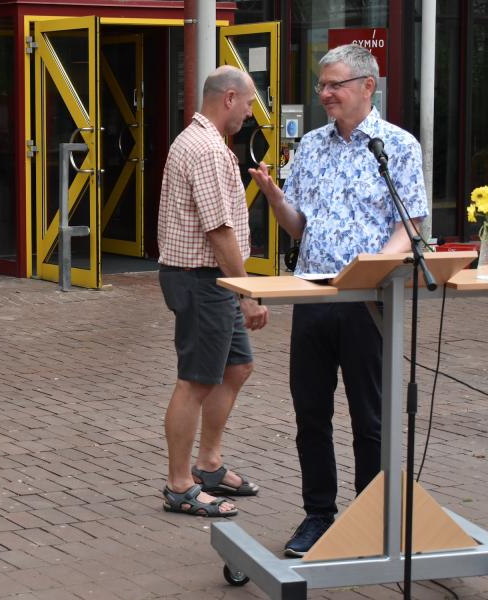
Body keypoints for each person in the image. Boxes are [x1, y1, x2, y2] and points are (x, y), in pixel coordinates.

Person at [249, 44, 428, 556]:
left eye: (335, 85)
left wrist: (377, 267)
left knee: (370, 417)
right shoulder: (310, 145)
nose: (325, 93)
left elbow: (411, 223)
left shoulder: (397, 146)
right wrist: (275, 198)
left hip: (369, 300)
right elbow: (299, 227)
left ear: (367, 86)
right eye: (322, 85)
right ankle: (318, 516)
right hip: (312, 296)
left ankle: (373, 520)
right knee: (311, 413)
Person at [158, 66, 269, 518]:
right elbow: (219, 231)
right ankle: (179, 485)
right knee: (196, 380)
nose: (250, 112)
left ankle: (208, 465)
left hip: (208, 279)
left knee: (236, 366)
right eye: (249, 102)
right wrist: (247, 293)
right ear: (228, 98)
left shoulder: (201, 142)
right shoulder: (206, 149)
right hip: (204, 280)